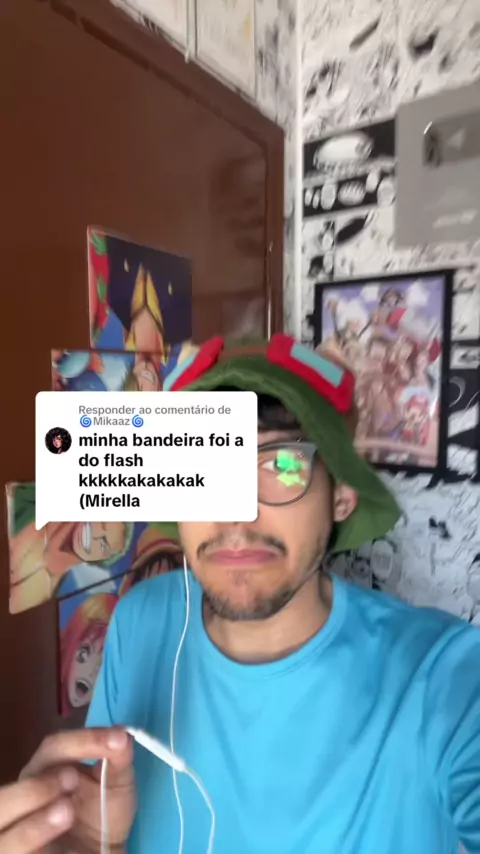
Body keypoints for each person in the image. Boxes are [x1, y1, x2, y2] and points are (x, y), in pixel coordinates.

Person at [1, 334, 480, 854]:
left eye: (282, 466)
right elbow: (95, 811)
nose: (237, 517)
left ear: (341, 496)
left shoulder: (445, 676)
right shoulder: (142, 619)